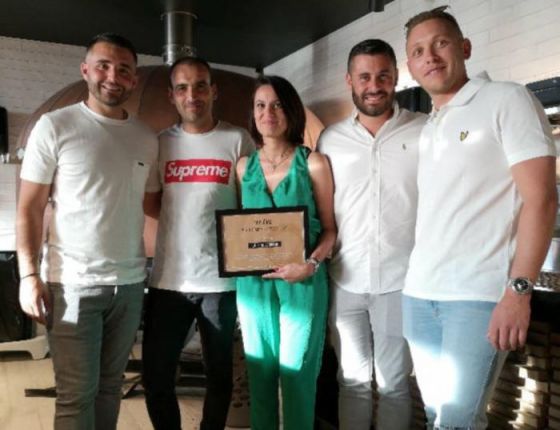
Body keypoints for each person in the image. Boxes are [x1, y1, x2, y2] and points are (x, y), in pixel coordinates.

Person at [402, 7, 558, 429]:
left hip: (478, 295)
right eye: (418, 51)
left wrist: (518, 291)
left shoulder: (506, 99)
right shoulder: (430, 125)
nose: (430, 56)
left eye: (440, 43)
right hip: (419, 293)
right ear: (411, 67)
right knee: (436, 416)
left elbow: (542, 200)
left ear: (465, 48)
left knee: (457, 421)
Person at [16, 33, 159, 430]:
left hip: (129, 285)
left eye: (124, 70)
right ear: (85, 71)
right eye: (103, 66)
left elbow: (153, 205)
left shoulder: (146, 138)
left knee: (110, 388)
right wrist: (28, 275)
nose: (113, 76)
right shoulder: (55, 126)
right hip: (72, 285)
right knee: (76, 396)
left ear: (133, 79)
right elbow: (29, 208)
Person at [317, 39, 426, 430]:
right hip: (344, 279)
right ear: (349, 80)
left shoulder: (424, 130)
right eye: (364, 77)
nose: (374, 85)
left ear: (396, 77)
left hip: (401, 280)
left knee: (395, 385)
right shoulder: (330, 140)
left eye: (383, 76)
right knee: (352, 383)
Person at [141, 57, 254, 430]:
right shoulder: (162, 143)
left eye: (201, 85)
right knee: (157, 376)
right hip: (168, 282)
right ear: (172, 95)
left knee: (220, 377)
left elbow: (249, 207)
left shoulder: (237, 140)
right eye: (183, 88)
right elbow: (153, 205)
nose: (193, 95)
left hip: (221, 284)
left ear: (213, 91)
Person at [235, 75, 336, 430]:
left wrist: (311, 264)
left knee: (297, 377)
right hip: (253, 284)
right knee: (260, 374)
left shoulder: (313, 163)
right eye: (261, 105)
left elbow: (330, 230)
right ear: (253, 113)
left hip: (303, 281)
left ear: (291, 110)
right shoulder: (243, 167)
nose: (269, 113)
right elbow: (241, 229)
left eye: (278, 104)